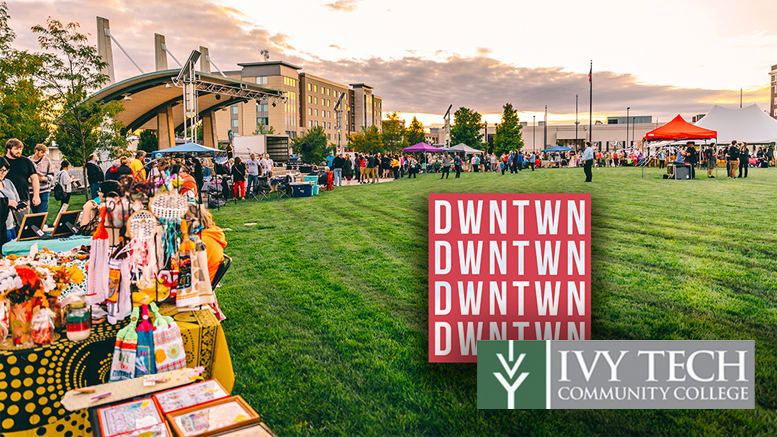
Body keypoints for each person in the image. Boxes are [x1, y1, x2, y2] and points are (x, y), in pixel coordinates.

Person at [4, 139, 40, 226]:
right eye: (16, 149)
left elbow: (34, 178)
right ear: (8, 149)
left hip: (22, 198)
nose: (19, 151)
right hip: (5, 200)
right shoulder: (2, 162)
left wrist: (36, 195)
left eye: (20, 149)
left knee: (23, 225)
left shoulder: (26, 162)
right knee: (5, 226)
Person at [0, 157, 20, 246]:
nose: (2, 173)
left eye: (5, 170)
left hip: (11, 226)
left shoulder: (8, 182)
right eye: (0, 170)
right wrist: (7, 202)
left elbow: (16, 200)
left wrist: (18, 205)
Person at [29, 144, 54, 213]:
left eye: (45, 152)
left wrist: (44, 179)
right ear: (36, 151)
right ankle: (37, 224)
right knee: (35, 212)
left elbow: (51, 174)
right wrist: (32, 180)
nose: (44, 154)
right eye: (42, 152)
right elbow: (24, 176)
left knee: (43, 212)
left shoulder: (47, 161)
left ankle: (43, 224)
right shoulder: (28, 161)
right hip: (31, 191)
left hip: (44, 190)